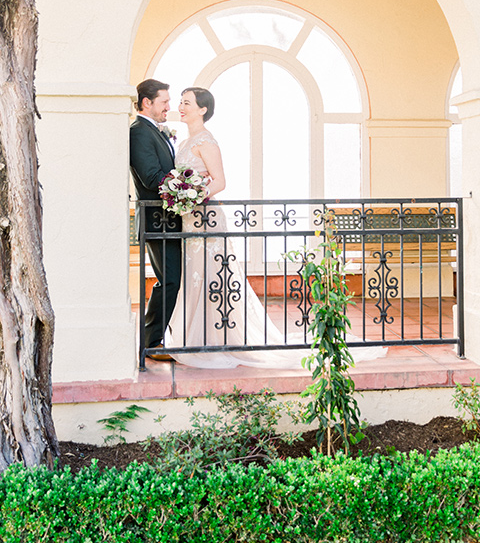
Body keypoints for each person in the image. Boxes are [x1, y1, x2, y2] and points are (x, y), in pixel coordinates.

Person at [164, 87, 386, 369]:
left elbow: (219, 182)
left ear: (203, 109)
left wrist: (190, 197)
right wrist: (180, 198)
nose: (181, 107)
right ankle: (196, 336)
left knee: (211, 276)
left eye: (186, 103)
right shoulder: (185, 142)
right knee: (195, 276)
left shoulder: (207, 141)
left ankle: (219, 336)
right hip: (190, 219)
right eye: (180, 102)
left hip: (206, 216)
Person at [129, 79, 182, 359]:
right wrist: (187, 188)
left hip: (169, 220)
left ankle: (159, 337)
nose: (169, 107)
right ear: (146, 103)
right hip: (156, 220)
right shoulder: (139, 132)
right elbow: (151, 177)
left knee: (172, 279)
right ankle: (151, 342)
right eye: (164, 102)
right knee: (169, 280)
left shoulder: (156, 132)